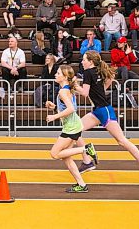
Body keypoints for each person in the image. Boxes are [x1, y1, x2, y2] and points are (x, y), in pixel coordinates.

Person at [74, 51, 139, 186]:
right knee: (75, 130)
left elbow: (84, 93)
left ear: (90, 61)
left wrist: (74, 85)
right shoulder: (97, 71)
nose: (82, 62)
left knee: (122, 141)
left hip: (104, 111)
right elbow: (110, 77)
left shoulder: (89, 73)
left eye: (84, 60)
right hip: (98, 111)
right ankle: (87, 162)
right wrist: (101, 89)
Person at [45, 65, 95, 193]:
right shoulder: (66, 89)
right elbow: (68, 108)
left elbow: (71, 109)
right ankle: (81, 184)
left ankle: (86, 148)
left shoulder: (63, 91)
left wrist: (54, 116)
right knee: (66, 157)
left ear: (65, 77)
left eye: (58, 73)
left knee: (54, 153)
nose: (55, 75)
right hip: (74, 125)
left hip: (71, 127)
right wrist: (55, 107)